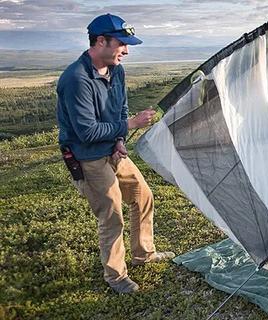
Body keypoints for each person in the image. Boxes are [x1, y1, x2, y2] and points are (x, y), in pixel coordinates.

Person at [56, 13, 174, 294]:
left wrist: (120, 137)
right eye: (121, 43)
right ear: (100, 42)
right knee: (111, 216)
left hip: (113, 149)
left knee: (143, 196)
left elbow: (121, 107)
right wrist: (131, 125)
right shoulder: (75, 79)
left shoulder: (116, 70)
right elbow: (86, 132)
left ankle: (143, 254)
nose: (126, 50)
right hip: (88, 157)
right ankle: (116, 277)